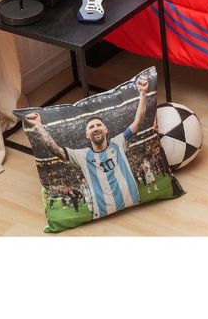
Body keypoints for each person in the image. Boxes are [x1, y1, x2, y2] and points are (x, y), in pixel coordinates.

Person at [24, 74, 151, 220]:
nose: (95, 128)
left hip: (133, 202)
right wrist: (38, 126)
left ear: (105, 129)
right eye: (91, 127)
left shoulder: (118, 142)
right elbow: (55, 150)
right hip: (102, 212)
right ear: (86, 134)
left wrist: (143, 93)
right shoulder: (82, 155)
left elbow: (138, 121)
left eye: (98, 125)